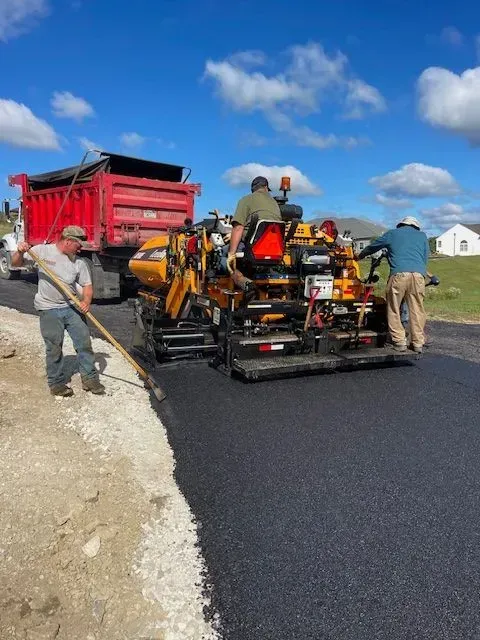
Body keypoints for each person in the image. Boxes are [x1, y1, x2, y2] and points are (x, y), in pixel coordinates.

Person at [11, 226, 105, 397]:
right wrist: (19, 251)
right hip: (48, 308)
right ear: (68, 241)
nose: (81, 247)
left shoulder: (79, 263)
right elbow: (15, 263)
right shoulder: (41, 252)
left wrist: (86, 301)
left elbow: (87, 286)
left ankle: (90, 379)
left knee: (84, 343)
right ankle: (56, 383)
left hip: (72, 307)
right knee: (54, 347)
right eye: (78, 244)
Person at [355, 216, 430, 353]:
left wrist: (359, 256)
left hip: (399, 275)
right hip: (418, 275)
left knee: (394, 308)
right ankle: (418, 343)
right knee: (417, 309)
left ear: (401, 225)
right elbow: (425, 258)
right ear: (416, 226)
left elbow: (373, 247)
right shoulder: (422, 236)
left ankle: (400, 341)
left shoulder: (392, 233)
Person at [226, 176, 282, 275]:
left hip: (252, 247)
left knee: (221, 252)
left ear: (253, 189)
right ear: (266, 188)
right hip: (273, 248)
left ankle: (238, 282)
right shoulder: (275, 203)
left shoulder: (246, 200)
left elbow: (238, 228)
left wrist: (231, 254)